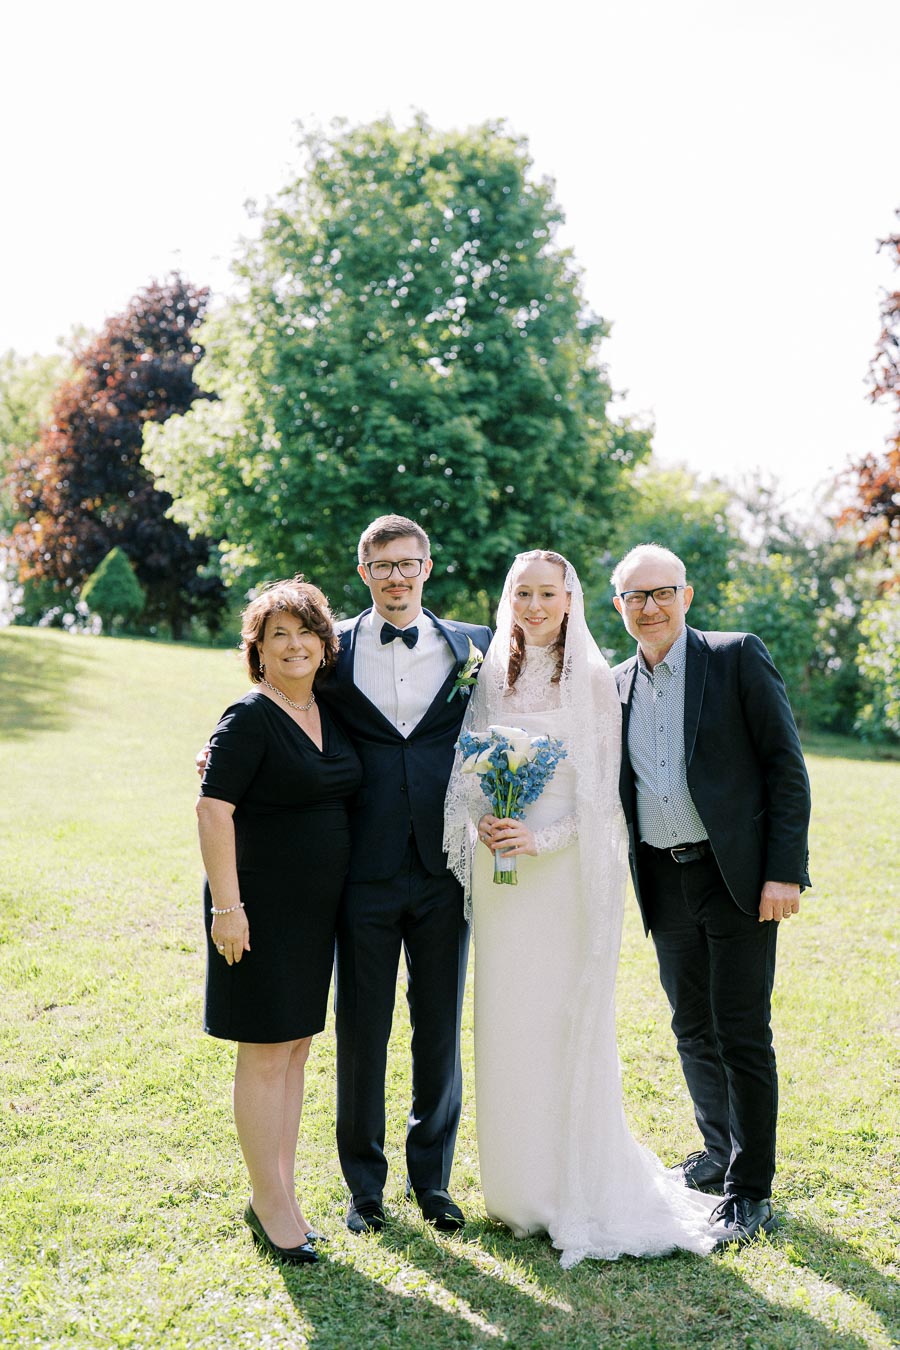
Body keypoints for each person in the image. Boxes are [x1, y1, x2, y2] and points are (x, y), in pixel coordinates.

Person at [444, 550, 720, 1268]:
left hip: (560, 878)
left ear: (569, 600)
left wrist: (540, 838)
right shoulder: (489, 677)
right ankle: (515, 1189)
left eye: (547, 593)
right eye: (522, 593)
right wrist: (484, 820)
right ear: (508, 599)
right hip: (504, 883)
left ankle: (568, 1184)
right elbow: (466, 769)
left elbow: (604, 806)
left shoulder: (596, 682)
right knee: (507, 1024)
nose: (534, 605)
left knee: (557, 1021)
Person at [610, 543, 812, 1246]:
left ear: (685, 596)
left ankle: (750, 1187)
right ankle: (719, 1148)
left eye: (661, 592)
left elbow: (785, 767)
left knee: (742, 1032)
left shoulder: (735, 657)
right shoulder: (615, 685)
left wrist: (784, 872)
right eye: (635, 597)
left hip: (738, 878)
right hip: (662, 880)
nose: (650, 607)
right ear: (619, 608)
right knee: (690, 1025)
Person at [315, 514, 492, 1235]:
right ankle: (364, 1188)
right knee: (362, 1029)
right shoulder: (330, 651)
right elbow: (283, 701)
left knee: (439, 1026)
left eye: (408, 563)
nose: (396, 576)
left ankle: (433, 1181)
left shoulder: (474, 646)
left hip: (446, 867)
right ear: (364, 573)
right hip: (362, 867)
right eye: (382, 565)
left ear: (428, 567)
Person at [197, 578, 362, 1265]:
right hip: (257, 911)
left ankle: (280, 1192)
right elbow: (213, 809)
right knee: (265, 1054)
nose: (294, 646)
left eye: (306, 634)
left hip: (313, 915)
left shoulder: (327, 711)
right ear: (257, 651)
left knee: (294, 1050)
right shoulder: (248, 716)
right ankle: (269, 1205)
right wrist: (227, 908)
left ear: (326, 647)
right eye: (277, 636)